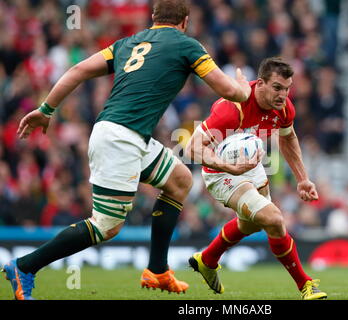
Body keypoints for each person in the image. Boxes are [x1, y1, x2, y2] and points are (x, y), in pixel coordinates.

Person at [2, 0, 251, 300]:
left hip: (128, 136)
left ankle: (157, 270)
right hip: (120, 139)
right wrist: (244, 89)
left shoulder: (127, 43)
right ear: (185, 21)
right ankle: (25, 266)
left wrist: (46, 109)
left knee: (180, 180)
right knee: (106, 226)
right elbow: (228, 91)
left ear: (153, 18)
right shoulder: (188, 45)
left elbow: (79, 69)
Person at [185, 57, 327, 300]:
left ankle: (207, 259)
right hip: (220, 172)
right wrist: (228, 166)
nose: (283, 95)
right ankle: (305, 285)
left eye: (287, 88)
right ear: (260, 83)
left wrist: (303, 179)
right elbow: (192, 148)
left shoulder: (282, 107)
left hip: (251, 165)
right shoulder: (233, 108)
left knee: (250, 224)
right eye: (277, 88)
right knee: (273, 219)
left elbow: (288, 137)